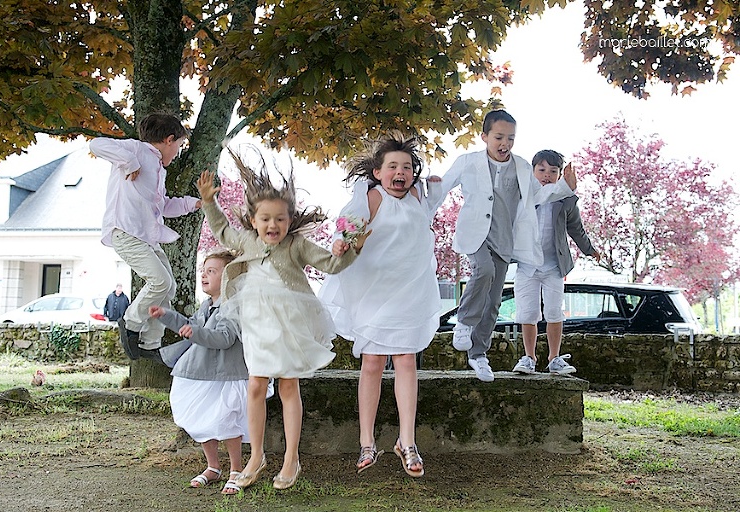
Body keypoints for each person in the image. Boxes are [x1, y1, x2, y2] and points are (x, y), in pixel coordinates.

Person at [196, 149, 363, 491]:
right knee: (255, 385)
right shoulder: (245, 240)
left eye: (280, 219)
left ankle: (291, 458)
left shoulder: (296, 245)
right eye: (266, 219)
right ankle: (256, 456)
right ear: (254, 220)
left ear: (289, 220)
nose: (273, 225)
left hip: (288, 324)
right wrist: (209, 202)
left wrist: (350, 249)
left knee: (288, 386)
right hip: (257, 323)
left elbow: (330, 265)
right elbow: (223, 231)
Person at [318, 132, 440, 477]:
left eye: (407, 167)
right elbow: (348, 229)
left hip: (409, 289)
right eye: (393, 167)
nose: (401, 172)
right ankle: (367, 442)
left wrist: (437, 182)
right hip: (374, 290)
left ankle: (407, 441)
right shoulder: (370, 198)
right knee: (372, 361)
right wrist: (341, 243)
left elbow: (446, 186)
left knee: (406, 360)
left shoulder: (420, 195)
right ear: (377, 171)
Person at [429, 109, 576, 382]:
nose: (504, 143)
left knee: (494, 300)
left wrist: (565, 187)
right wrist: (427, 207)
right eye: (499, 137)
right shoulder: (467, 162)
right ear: (484, 136)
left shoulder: (521, 166)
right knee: (483, 271)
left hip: (503, 239)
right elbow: (442, 188)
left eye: (510, 138)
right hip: (475, 235)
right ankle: (464, 321)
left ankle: (478, 354)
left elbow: (539, 195)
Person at [89, 112, 201, 355]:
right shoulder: (136, 150)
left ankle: (150, 343)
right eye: (179, 146)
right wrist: (130, 162)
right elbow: (96, 144)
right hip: (125, 232)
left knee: (167, 288)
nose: (178, 152)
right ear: (169, 140)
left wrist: (195, 204)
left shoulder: (160, 171)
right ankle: (130, 323)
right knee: (160, 281)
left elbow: (163, 207)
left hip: (146, 238)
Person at [144, 250, 249, 495]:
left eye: (211, 271)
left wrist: (195, 333)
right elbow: (191, 323)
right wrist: (167, 316)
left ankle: (236, 469)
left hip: (225, 374)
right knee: (201, 419)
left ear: (228, 277)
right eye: (203, 270)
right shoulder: (207, 305)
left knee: (226, 421)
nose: (204, 275)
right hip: (201, 373)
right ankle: (213, 466)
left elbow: (223, 338)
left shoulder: (232, 307)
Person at [511, 150, 600, 375]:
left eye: (553, 171)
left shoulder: (565, 199)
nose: (546, 175)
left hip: (554, 265)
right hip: (527, 265)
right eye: (541, 170)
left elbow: (575, 228)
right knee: (528, 313)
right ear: (532, 172)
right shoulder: (524, 194)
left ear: (560, 175)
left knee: (554, 311)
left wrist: (589, 249)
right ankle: (529, 357)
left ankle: (554, 358)